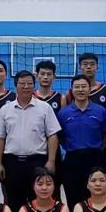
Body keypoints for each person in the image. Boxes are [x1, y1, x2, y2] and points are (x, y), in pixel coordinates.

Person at [0, 71, 61, 212]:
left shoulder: (44, 108)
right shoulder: (6, 109)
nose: (26, 86)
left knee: (38, 202)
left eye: (30, 83)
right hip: (12, 163)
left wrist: (51, 161)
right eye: (22, 83)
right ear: (15, 86)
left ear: (34, 85)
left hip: (37, 162)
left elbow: (52, 135)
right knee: (13, 203)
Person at [57, 75, 106, 208]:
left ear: (89, 89)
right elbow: (60, 137)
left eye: (84, 86)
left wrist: (97, 149)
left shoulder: (100, 111)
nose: (80, 90)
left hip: (95, 159)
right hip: (72, 160)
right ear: (71, 90)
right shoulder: (64, 113)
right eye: (77, 87)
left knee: (96, 199)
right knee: (73, 200)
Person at [35, 60, 65, 200]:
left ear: (54, 76)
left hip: (54, 151)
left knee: (54, 189)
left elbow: (62, 126)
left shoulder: (60, 98)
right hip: (36, 150)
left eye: (49, 74)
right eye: (42, 74)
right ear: (36, 76)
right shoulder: (30, 97)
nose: (45, 77)